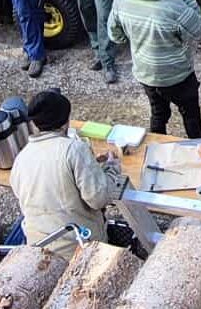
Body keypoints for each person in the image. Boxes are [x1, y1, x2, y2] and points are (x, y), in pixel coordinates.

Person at [9, 89, 126, 256]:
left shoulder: (21, 157)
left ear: (35, 123)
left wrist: (90, 165)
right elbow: (99, 199)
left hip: (38, 249)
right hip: (78, 247)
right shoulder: (74, 149)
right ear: (65, 122)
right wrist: (112, 167)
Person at [108, 0, 201, 138]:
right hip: (178, 75)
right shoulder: (175, 7)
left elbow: (116, 36)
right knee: (191, 118)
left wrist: (137, 38)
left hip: (146, 74)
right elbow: (199, 30)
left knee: (158, 113)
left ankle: (155, 152)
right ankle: (200, 153)